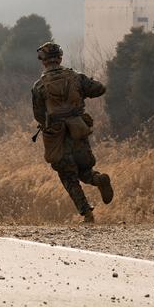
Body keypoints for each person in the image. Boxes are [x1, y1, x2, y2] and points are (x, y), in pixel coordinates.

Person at [31, 42, 114, 223]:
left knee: (68, 176)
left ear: (43, 62)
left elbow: (38, 114)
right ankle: (98, 179)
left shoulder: (39, 86)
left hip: (56, 136)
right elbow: (100, 89)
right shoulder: (76, 77)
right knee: (85, 169)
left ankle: (87, 214)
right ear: (60, 58)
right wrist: (80, 94)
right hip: (78, 129)